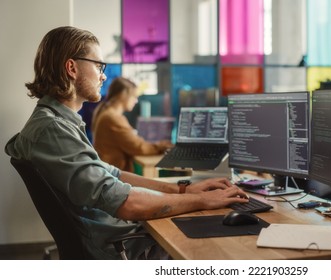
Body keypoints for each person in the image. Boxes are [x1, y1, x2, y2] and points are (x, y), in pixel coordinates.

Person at [4, 26, 248, 259]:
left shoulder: (60, 123)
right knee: (226, 247)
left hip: (120, 236)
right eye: (99, 65)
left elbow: (114, 174)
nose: (103, 75)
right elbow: (126, 203)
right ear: (71, 68)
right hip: (120, 249)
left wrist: (184, 189)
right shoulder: (52, 129)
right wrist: (203, 200)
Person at [92, 77, 173, 172]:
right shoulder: (113, 118)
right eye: (134, 96)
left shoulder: (104, 111)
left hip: (107, 171)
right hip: (114, 176)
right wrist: (162, 146)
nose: (136, 101)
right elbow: (138, 147)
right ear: (123, 95)